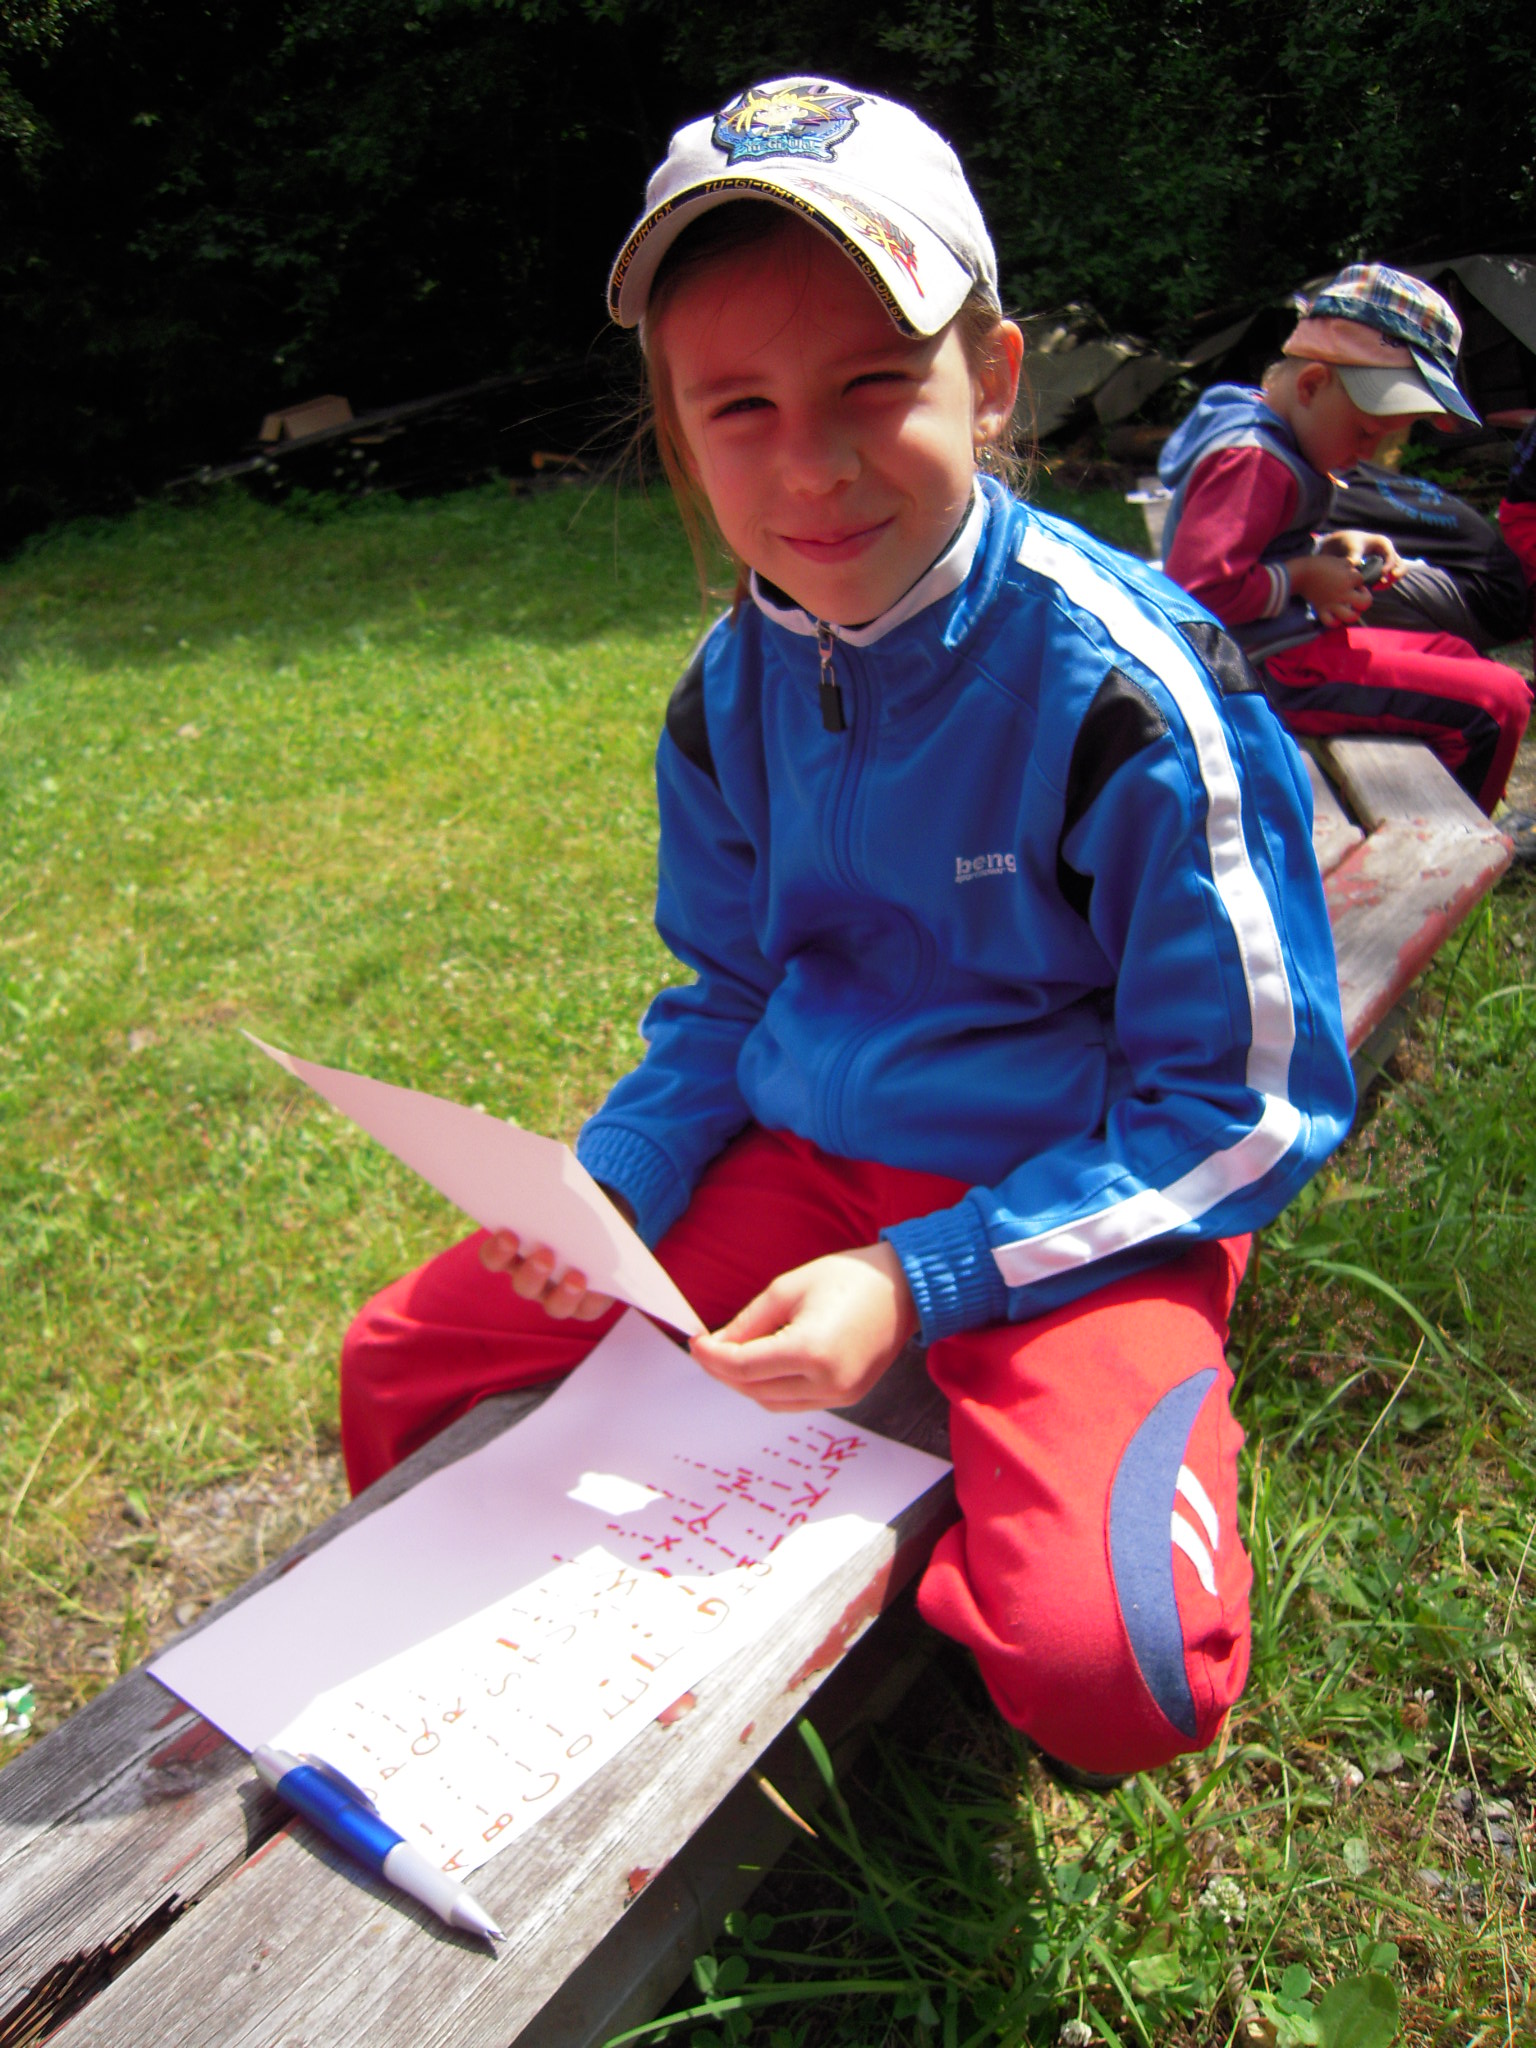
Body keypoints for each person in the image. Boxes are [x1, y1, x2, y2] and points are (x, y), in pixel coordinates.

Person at [340, 78, 1355, 1780]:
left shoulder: (1129, 689)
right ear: (678, 427)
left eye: (873, 384)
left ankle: (906, 1632)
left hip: (1076, 1199)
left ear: (995, 377)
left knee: (1115, 1674)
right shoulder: (726, 690)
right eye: (737, 406)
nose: (808, 465)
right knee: (410, 1352)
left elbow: (1243, 1104)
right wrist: (622, 1178)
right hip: (803, 1169)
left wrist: (927, 1280)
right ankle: (477, 1705)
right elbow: (727, 989)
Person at [1158, 265, 1533, 816]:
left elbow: (1258, 547)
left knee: (1454, 653)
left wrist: (1326, 549)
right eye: (1365, 432)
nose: (1369, 455)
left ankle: (1427, 810)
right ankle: (1450, 846)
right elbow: (1197, 590)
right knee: (1496, 703)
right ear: (1311, 385)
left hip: (1283, 650)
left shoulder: (1267, 433)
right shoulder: (1253, 460)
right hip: (1262, 669)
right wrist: (1304, 577)